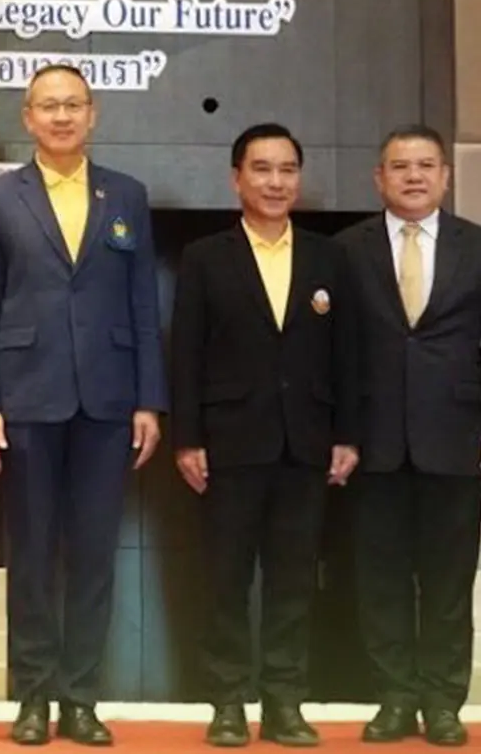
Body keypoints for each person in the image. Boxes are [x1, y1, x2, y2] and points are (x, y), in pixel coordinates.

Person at [0, 63, 165, 747]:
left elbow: (143, 305)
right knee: (30, 554)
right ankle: (32, 696)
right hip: (26, 398)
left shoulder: (126, 194)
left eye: (72, 105)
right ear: (28, 117)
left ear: (92, 113)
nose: (60, 116)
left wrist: (149, 399)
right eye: (47, 106)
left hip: (109, 402)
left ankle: (80, 697)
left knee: (93, 554)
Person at [169, 124, 359, 747]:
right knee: (225, 581)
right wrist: (187, 438)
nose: (276, 182)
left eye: (287, 170)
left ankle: (284, 703)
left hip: (306, 445)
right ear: (237, 179)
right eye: (262, 169)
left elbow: (348, 356)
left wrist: (347, 435)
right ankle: (227, 702)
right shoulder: (205, 257)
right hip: (229, 444)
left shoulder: (329, 258)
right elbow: (185, 353)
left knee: (293, 582)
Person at [334, 125, 481, 747]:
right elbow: (333, 352)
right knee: (381, 580)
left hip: (458, 441)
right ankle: (394, 698)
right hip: (373, 443)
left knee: (448, 583)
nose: (414, 176)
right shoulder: (345, 251)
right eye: (400, 166)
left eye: (425, 165)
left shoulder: (477, 247)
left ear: (445, 176)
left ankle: (443, 702)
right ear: (379, 178)